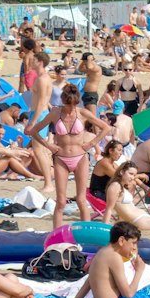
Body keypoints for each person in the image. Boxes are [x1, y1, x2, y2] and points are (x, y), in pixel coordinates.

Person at [29, 84, 105, 228]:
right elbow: (34, 131)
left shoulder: (83, 113)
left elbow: (105, 128)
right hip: (61, 158)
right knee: (61, 201)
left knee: (81, 200)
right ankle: (56, 234)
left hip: (80, 157)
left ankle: (86, 232)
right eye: (68, 105)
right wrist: (49, 146)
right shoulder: (55, 113)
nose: (70, 108)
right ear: (63, 101)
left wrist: (91, 143)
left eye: (73, 105)